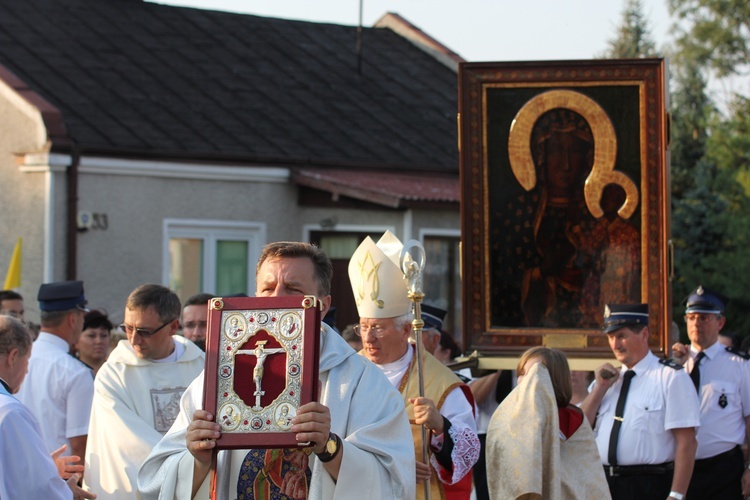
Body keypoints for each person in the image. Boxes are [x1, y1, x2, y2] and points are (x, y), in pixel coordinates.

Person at [138, 241, 415, 499]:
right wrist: (197, 458)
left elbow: (393, 483)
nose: (277, 299)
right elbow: (154, 481)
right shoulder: (220, 374)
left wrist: (331, 447)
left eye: (293, 289)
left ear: (323, 305)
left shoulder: (361, 382)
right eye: (268, 289)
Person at [349, 231, 479, 500]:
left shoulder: (440, 384)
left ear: (406, 328)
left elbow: (468, 454)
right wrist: (394, 465)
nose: (368, 337)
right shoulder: (347, 372)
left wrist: (441, 426)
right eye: (363, 327)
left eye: (378, 328)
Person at [83, 284, 205, 498]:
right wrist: (189, 462)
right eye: (128, 328)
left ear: (173, 326)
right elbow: (128, 445)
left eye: (144, 331)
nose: (133, 339)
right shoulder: (114, 374)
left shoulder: (201, 365)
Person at [580, 303, 700, 500]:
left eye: (622, 336)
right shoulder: (607, 379)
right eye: (611, 337)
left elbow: (687, 441)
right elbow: (580, 427)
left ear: (644, 334)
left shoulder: (670, 377)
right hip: (603, 485)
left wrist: (676, 495)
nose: (615, 345)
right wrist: (599, 389)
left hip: (648, 485)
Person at [486, 347, 610, 499]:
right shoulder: (509, 419)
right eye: (522, 373)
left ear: (555, 378)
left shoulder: (571, 419)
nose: (526, 380)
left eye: (534, 374)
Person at [671, 286, 750, 499]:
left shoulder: (739, 365)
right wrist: (675, 366)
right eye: (692, 317)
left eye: (704, 318)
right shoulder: (673, 365)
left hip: (722, 470)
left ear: (720, 323)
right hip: (676, 469)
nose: (696, 323)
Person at [0, 315, 91, 499]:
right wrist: (66, 491)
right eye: (27, 362)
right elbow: (37, 490)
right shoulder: (10, 412)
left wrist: (43, 467)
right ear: (13, 356)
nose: (26, 370)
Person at [15, 280, 93, 462]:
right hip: (58, 480)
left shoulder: (16, 359)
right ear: (73, 319)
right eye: (82, 318)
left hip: (16, 476)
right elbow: (80, 445)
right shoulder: (75, 372)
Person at [467, 369, 513, 500]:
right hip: (486, 436)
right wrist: (497, 366)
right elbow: (471, 400)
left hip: (520, 438)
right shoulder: (481, 358)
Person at [73, 309, 112, 375]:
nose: (99, 341)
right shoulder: (69, 372)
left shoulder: (117, 373)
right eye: (91, 336)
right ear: (76, 341)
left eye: (104, 335)